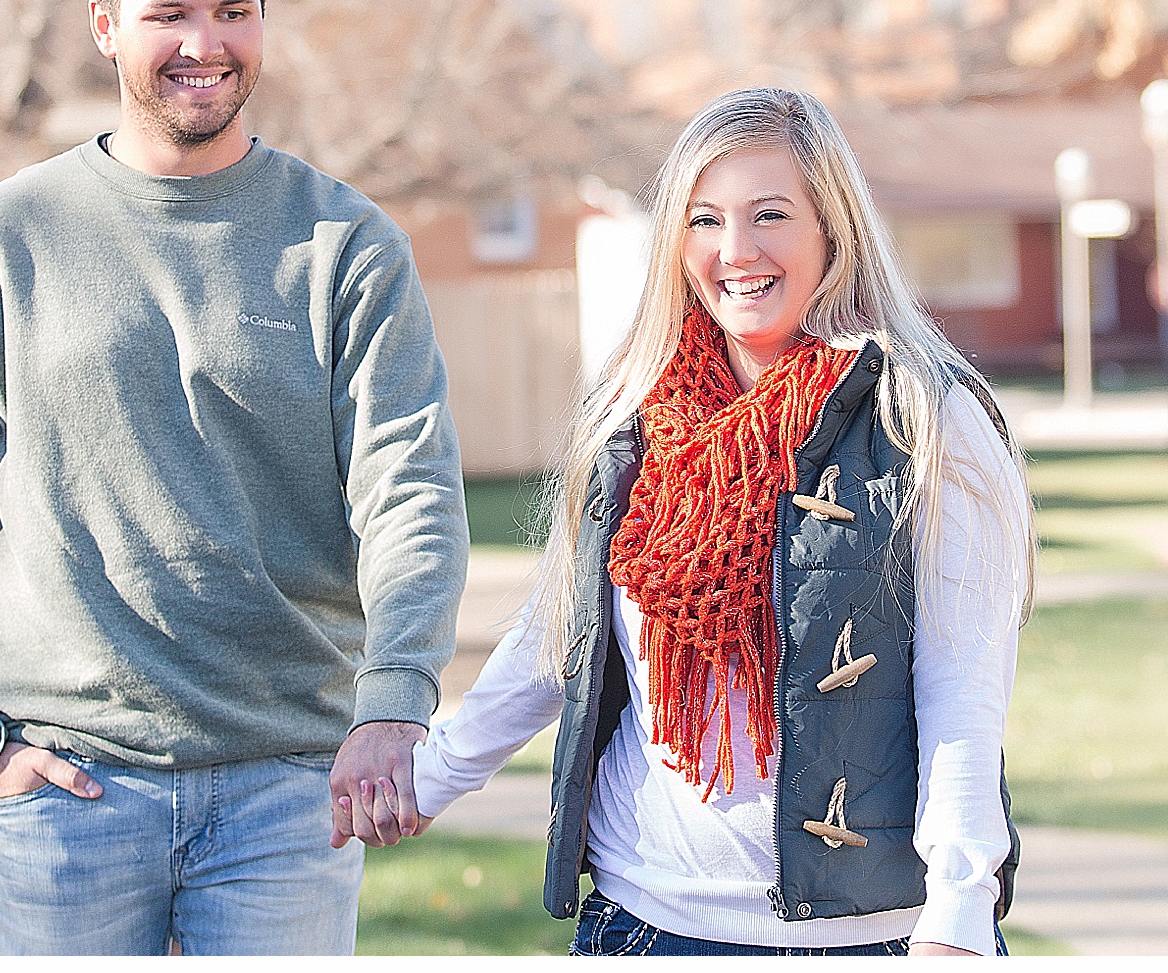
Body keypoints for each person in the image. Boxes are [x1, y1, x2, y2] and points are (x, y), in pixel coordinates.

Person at [0, 0, 469, 957]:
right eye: (170, 14)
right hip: (63, 788)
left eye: (234, 11)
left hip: (287, 787)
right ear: (105, 26)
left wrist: (395, 696)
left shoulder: (346, 246)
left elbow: (410, 489)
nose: (207, 43)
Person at [346, 87, 1033, 955]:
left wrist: (960, 914)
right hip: (646, 924)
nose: (735, 250)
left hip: (871, 937)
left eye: (770, 214)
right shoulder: (634, 415)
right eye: (704, 220)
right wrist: (427, 776)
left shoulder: (923, 415)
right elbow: (559, 633)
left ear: (835, 227)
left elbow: (963, 689)